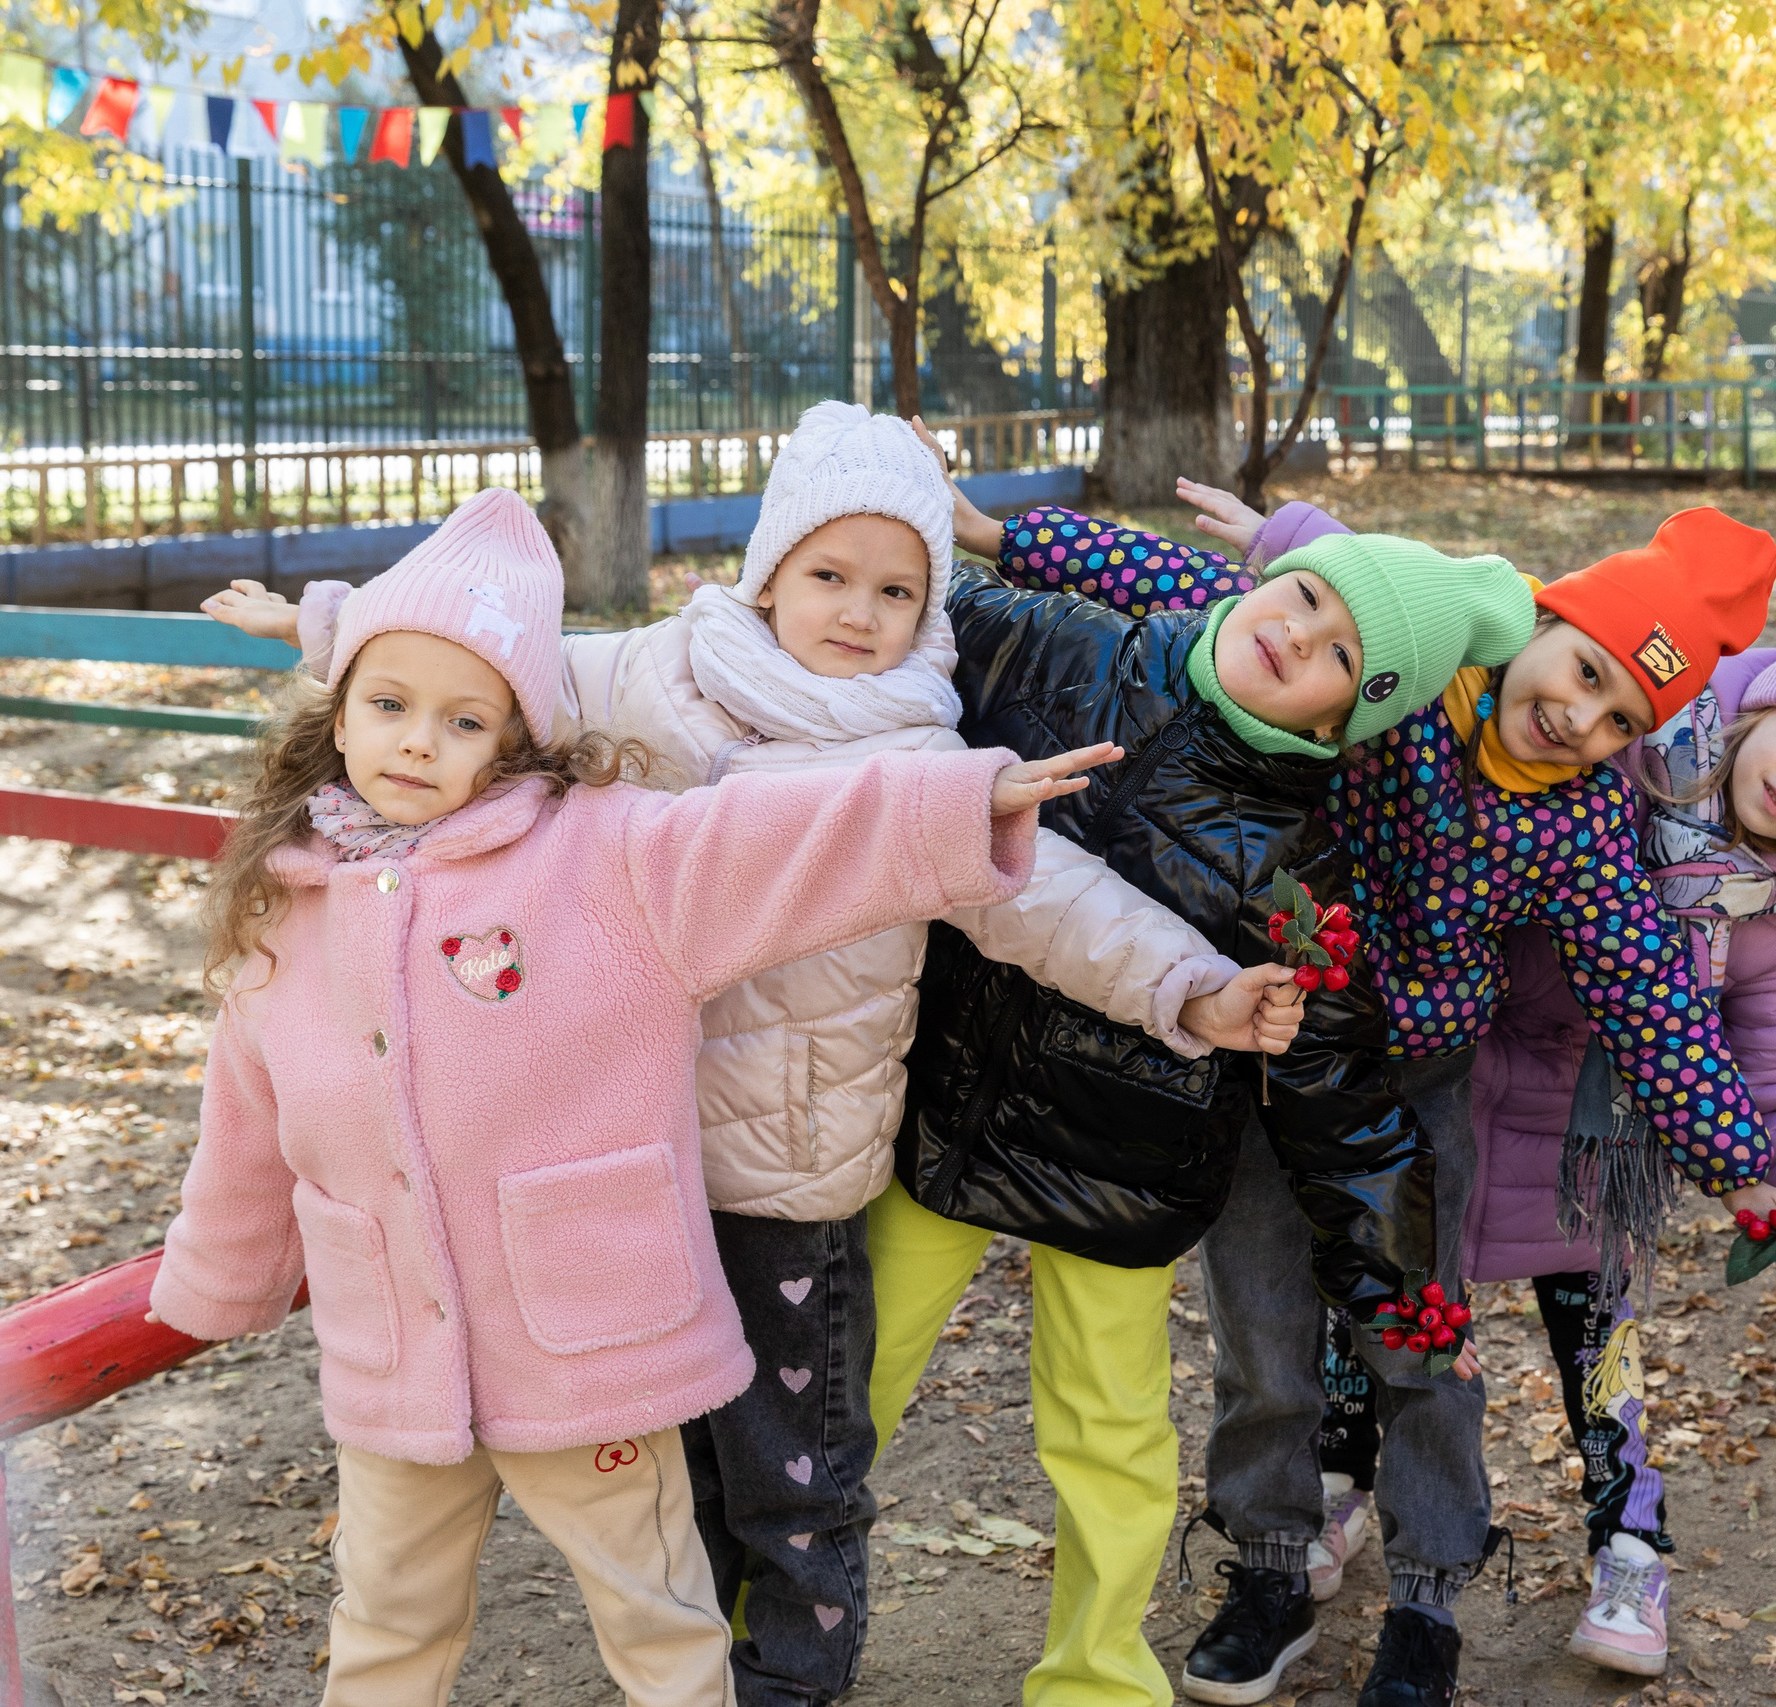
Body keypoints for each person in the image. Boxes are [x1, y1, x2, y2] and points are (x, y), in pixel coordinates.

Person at [201, 409, 1303, 1704]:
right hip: (620, 1163)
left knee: (797, 1458)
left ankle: (790, 1672)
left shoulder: (914, 746)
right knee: (678, 1458)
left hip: (790, 1170)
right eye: (830, 573)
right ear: (769, 567)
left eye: (898, 587)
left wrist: (1192, 985)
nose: (858, 609)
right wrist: (323, 630)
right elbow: (493, 661)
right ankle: (702, 1650)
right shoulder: (664, 673)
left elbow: (1048, 897)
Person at [957, 488, 1776, 1707]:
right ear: (1542, 619)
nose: (1582, 716)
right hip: (1270, 1045)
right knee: (1265, 1329)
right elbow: (1193, 594)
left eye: (1621, 718)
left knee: (1419, 1336)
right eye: (1586, 670)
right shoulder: (1406, 678)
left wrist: (1738, 1162)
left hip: (1412, 1087)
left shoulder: (1585, 820)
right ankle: (1272, 1563)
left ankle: (1431, 1592)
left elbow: (1645, 987)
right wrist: (997, 536)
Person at [876, 483, 1538, 1707]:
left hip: (1123, 1162)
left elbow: (1336, 1094)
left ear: (1353, 719)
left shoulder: (1299, 869)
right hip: (937, 1110)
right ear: (1255, 584)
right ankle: (767, 1633)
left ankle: (1097, 1681)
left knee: (1110, 1435)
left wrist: (1405, 1296)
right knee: (844, 1386)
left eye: (1342, 656)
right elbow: (878, 634)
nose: (1298, 636)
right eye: (1302, 599)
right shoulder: (1055, 639)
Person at [1468, 603, 1776, 1676]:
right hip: (1446, 1083)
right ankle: (1333, 1490)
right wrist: (1293, 538)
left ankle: (1630, 1549)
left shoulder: (1775, 914)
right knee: (1380, 1316)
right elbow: (1487, 636)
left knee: (1602, 1352)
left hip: (1591, 1147)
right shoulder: (1623, 744)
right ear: (1772, 701)